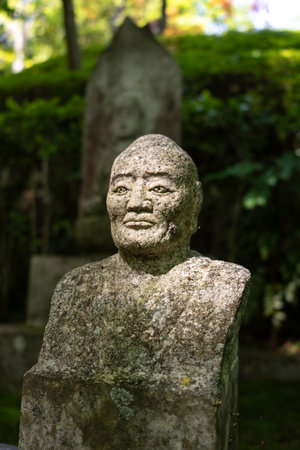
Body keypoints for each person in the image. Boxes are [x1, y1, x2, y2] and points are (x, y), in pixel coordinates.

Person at [19, 134, 250, 449]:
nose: (136, 203)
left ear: (195, 200)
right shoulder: (75, 288)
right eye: (121, 189)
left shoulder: (223, 284)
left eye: (159, 188)